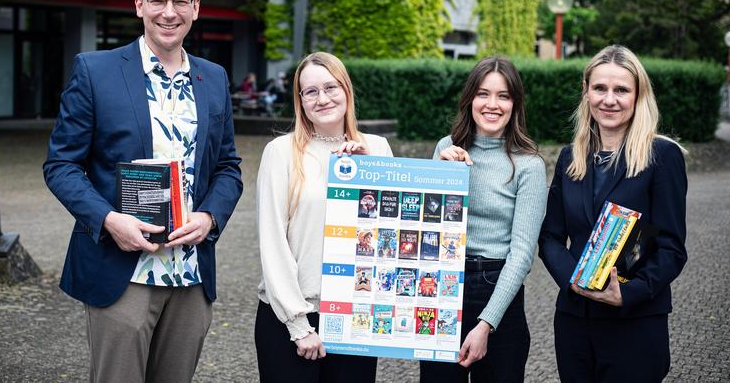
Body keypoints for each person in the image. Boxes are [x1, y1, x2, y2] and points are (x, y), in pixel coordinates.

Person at [43, 0, 243, 382]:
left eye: (180, 1)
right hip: (122, 271)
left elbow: (228, 167)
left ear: (195, 7)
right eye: (157, 0)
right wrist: (109, 219)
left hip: (190, 274)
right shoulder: (95, 71)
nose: (168, 12)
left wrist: (210, 217)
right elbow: (61, 164)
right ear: (139, 5)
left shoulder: (215, 78)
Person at [538, 45, 687, 383]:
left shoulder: (661, 156)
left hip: (634, 321)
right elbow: (550, 238)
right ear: (587, 92)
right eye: (600, 88)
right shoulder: (570, 158)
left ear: (638, 96)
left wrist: (627, 292)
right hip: (575, 321)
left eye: (621, 89)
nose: (609, 99)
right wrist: (574, 282)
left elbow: (671, 247)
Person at [255, 52, 393, 383]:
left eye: (330, 87)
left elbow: (392, 234)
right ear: (300, 101)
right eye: (310, 92)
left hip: (354, 318)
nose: (322, 99)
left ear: (346, 90)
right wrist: (298, 325)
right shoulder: (281, 152)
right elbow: (272, 242)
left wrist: (367, 173)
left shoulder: (377, 148)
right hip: (291, 317)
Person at [420, 56, 547, 382]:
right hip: (442, 287)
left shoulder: (528, 165)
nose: (493, 104)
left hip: (497, 291)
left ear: (515, 104)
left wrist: (486, 323)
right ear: (470, 100)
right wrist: (441, 174)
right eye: (483, 94)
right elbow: (425, 231)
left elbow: (521, 255)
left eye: (503, 96)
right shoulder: (445, 148)